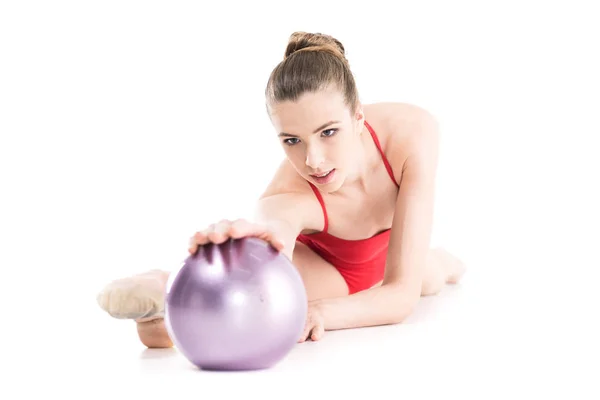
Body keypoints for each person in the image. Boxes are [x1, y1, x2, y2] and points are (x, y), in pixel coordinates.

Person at [96, 31, 466, 348]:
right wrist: (247, 246)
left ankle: (446, 262)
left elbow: (400, 295)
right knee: (247, 308)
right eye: (292, 140)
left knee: (432, 275)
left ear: (358, 116)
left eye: (328, 132)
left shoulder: (411, 132)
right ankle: (167, 288)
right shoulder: (288, 193)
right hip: (329, 267)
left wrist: (320, 312)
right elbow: (275, 227)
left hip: (394, 255)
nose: (313, 161)